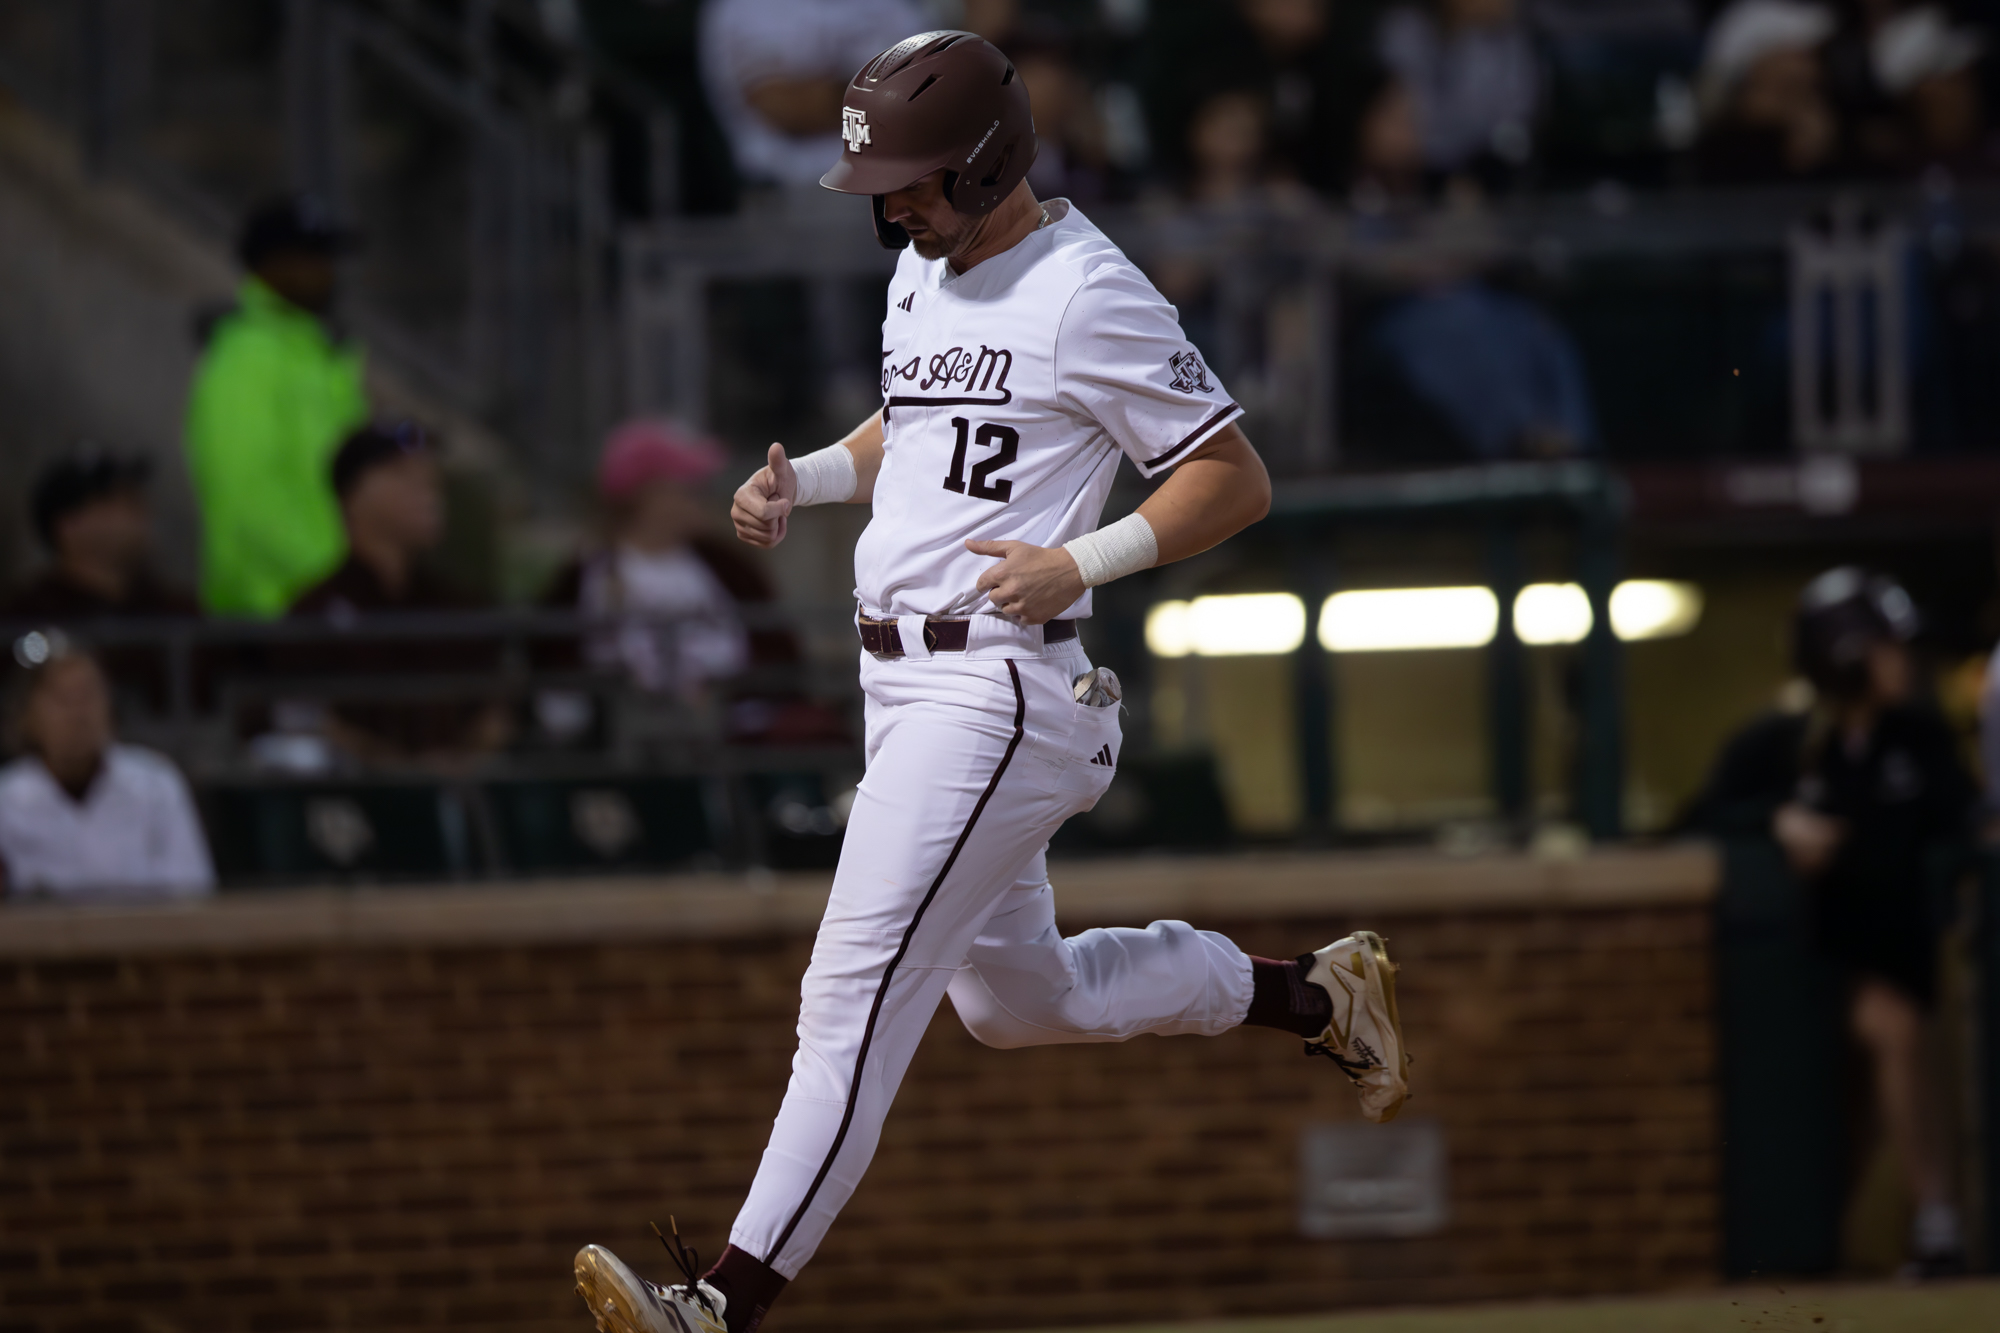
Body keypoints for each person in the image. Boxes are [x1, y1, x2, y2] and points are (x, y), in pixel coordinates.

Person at [571, 32, 1411, 1333]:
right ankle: (1313, 992)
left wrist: (1087, 556)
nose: (891, 203)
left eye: (910, 178)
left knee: (850, 993)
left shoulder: (1088, 288)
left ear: (987, 159)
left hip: (996, 692)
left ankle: (717, 1305)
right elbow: (918, 425)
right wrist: (815, 481)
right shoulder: (924, 267)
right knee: (1020, 1007)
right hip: (902, 686)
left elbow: (1231, 476)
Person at [1692, 568, 1972, 1277]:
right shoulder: (1780, 743)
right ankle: (1814, 1248)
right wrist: (1776, 820)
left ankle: (1933, 1224)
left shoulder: (1919, 740)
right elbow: (1700, 816)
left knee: (1892, 1030)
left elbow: (1960, 824)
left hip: (1892, 959)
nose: (1903, 662)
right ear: (1843, 655)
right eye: (1886, 647)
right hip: (1796, 972)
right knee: (1831, 1119)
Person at [185, 195, 369, 618]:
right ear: (268, 266)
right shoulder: (245, 360)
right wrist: (337, 581)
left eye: (329, 258)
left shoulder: (323, 360)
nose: (327, 272)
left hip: (325, 611)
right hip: (271, 616)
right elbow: (247, 498)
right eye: (310, 258)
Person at [283, 423, 508, 762]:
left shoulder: (458, 606)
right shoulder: (314, 613)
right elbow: (302, 722)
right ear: (352, 496)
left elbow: (498, 714)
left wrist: (464, 759)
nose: (427, 486)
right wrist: (396, 771)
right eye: (401, 472)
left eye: (429, 472)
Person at [0, 639, 214, 899]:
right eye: (63, 699)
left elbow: (192, 889)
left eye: (88, 695)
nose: (78, 713)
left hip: (145, 937)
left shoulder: (156, 784)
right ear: (28, 716)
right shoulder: (7, 798)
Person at [697, 0, 926, 194]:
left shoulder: (890, 5)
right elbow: (789, 109)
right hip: (789, 199)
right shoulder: (743, 8)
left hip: (900, 190)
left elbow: (930, 91)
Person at [1695, 0, 1842, 181]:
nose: (1811, 70)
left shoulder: (1825, 115)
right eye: (1799, 56)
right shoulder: (1734, 145)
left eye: (1813, 57)